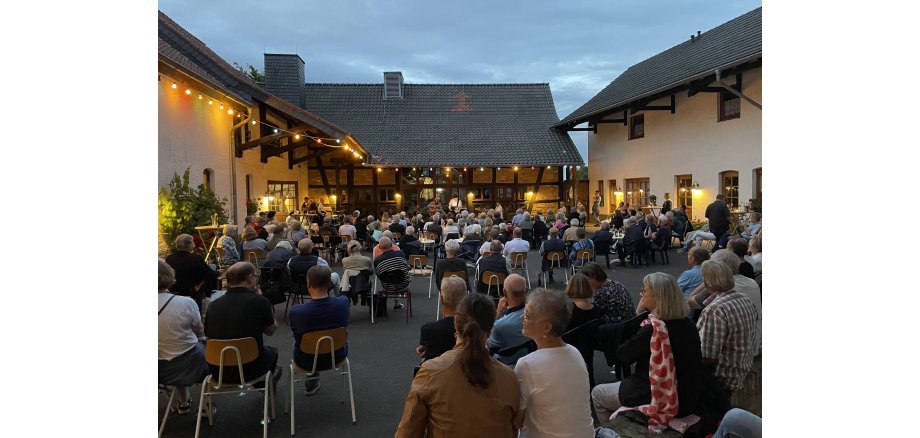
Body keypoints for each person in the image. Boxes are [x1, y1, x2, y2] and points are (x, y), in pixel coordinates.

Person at [397, 293, 521, 437]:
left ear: (456, 322)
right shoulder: (510, 379)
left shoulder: (430, 372)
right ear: (490, 329)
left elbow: (408, 432)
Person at [592, 273, 703, 431]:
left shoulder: (654, 329)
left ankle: (611, 432)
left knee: (597, 394)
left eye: (644, 291)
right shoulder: (688, 324)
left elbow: (623, 355)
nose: (641, 294)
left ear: (658, 297)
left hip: (658, 396)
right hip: (689, 394)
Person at [514, 288, 595, 437]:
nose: (521, 318)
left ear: (547, 327)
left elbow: (516, 421)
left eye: (527, 315)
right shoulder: (575, 353)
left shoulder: (526, 365)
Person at [204, 262, 281, 387]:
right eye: (255, 276)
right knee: (272, 352)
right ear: (250, 278)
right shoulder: (259, 301)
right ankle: (263, 386)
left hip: (218, 370)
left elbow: (208, 338)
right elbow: (270, 331)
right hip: (251, 369)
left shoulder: (213, 305)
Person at [696, 260, 759, 394]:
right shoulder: (744, 298)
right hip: (743, 367)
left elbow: (707, 356)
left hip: (723, 379)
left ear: (706, 282)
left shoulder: (715, 310)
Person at [288, 265, 350, 395]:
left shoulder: (297, 311)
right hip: (337, 355)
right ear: (329, 284)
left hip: (306, 360)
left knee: (302, 341)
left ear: (308, 283)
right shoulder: (343, 303)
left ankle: (311, 381)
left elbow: (296, 336)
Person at [158, 259, 208, 415]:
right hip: (189, 363)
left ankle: (184, 400)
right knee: (197, 348)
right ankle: (207, 405)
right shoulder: (185, 302)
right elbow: (199, 332)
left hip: (159, 370)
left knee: (172, 348)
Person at [416, 276, 467, 361]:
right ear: (465, 299)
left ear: (441, 300)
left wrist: (427, 346)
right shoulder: (474, 328)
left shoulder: (428, 329)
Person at [487, 274, 530, 366]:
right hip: (531, 361)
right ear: (526, 291)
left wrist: (497, 313)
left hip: (504, 367)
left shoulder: (499, 325)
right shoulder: (537, 315)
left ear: (504, 293)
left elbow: (488, 346)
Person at [165, 234, 216, 310]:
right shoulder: (196, 259)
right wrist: (218, 272)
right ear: (189, 245)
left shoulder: (169, 259)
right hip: (192, 293)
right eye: (193, 242)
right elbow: (209, 274)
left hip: (174, 293)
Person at [373, 236, 411, 314]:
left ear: (379, 247)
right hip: (403, 285)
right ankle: (397, 304)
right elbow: (406, 268)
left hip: (387, 287)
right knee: (399, 276)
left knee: (392, 278)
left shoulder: (377, 261)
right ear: (391, 245)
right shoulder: (400, 253)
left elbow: (379, 275)